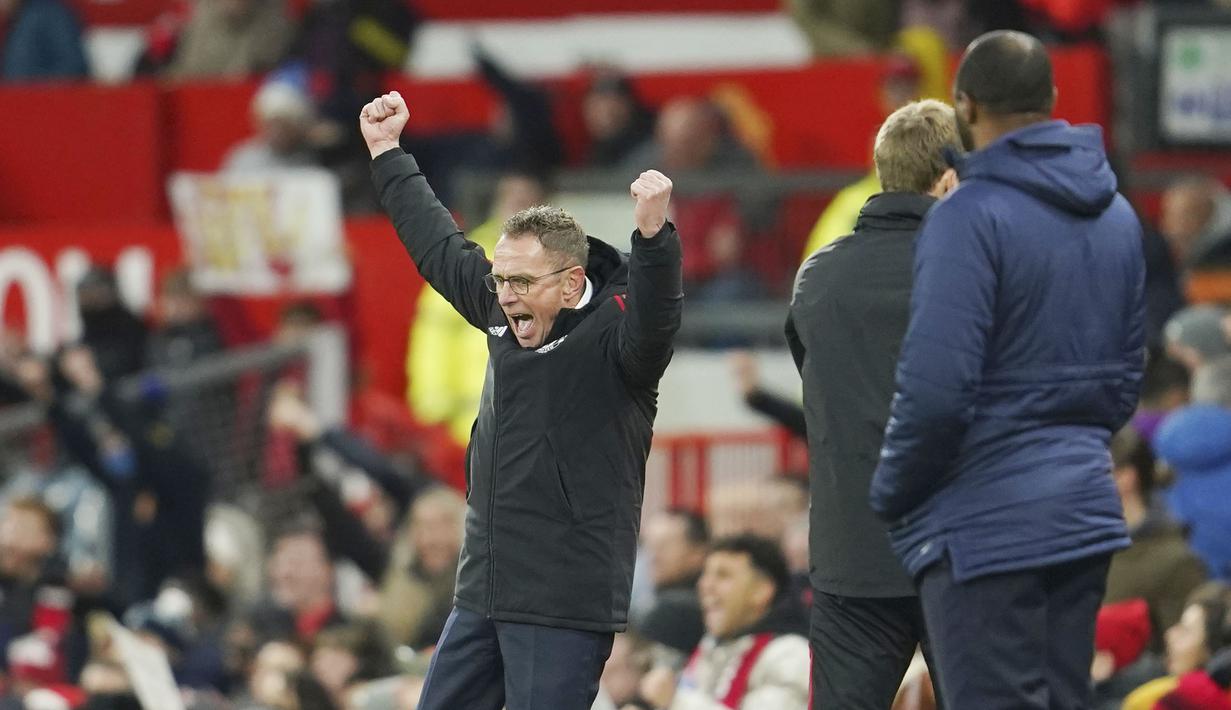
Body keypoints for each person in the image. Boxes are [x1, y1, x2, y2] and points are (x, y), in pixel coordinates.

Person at [360, 90, 682, 709]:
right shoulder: (500, 314)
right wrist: (387, 152)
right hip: (483, 589)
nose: (504, 295)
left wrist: (655, 238)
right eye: (501, 279)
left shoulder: (618, 339)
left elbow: (657, 324)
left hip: (562, 601)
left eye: (521, 282)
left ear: (570, 281)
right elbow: (438, 246)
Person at [869, 30, 1146, 709]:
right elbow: (1123, 385)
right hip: (1082, 511)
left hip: (983, 526)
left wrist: (890, 492)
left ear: (963, 106)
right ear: (1051, 100)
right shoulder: (1117, 215)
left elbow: (935, 392)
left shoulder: (965, 216)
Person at [785, 98, 959, 709]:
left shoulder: (818, 278)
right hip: (958, 550)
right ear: (950, 179)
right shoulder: (978, 272)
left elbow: (817, 379)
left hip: (850, 551)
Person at [639, 535, 809, 710]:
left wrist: (676, 701)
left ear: (761, 591)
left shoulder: (790, 653)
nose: (705, 585)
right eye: (704, 575)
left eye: (723, 575)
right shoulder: (709, 648)